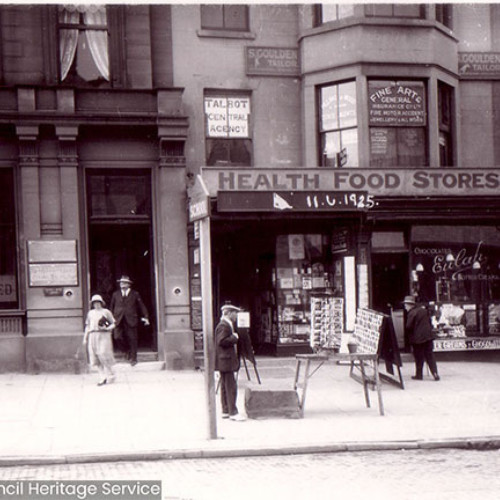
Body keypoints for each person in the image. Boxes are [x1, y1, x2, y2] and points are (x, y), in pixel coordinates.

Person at [215, 304, 246, 421]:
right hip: (226, 360)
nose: (236, 316)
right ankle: (233, 412)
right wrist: (234, 338)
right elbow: (221, 341)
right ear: (228, 313)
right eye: (235, 313)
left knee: (224, 386)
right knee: (231, 386)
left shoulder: (225, 325)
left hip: (224, 360)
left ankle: (226, 410)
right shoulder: (224, 326)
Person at [110, 275, 149, 366]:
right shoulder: (115, 294)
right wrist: (110, 318)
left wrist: (146, 316)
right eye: (120, 282)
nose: (121, 284)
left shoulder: (135, 294)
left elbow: (141, 306)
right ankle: (126, 350)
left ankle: (133, 358)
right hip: (118, 319)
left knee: (132, 338)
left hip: (131, 319)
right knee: (117, 337)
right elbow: (111, 307)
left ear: (128, 284)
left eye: (123, 283)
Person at [403, 295, 440, 381]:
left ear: (409, 305)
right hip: (428, 337)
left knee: (419, 357)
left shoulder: (411, 313)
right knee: (430, 356)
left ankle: (419, 375)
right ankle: (435, 373)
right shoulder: (423, 311)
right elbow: (429, 322)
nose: (405, 307)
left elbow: (408, 326)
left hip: (418, 339)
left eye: (405, 305)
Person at [83, 294, 116, 386]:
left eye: (98, 303)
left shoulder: (106, 312)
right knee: (95, 357)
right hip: (93, 335)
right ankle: (102, 377)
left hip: (104, 335)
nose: (96, 305)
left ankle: (110, 372)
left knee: (103, 354)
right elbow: (87, 326)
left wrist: (108, 328)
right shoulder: (90, 313)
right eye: (94, 303)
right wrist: (85, 337)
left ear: (101, 303)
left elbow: (113, 323)